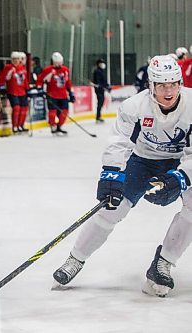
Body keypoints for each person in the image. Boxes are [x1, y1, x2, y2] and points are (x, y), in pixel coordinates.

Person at [52, 55, 192, 298]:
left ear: (180, 83)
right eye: (161, 85)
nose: (168, 91)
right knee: (111, 208)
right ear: (151, 86)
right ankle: (76, 258)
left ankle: (164, 263)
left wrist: (180, 177)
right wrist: (111, 174)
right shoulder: (134, 107)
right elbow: (119, 142)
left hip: (181, 161)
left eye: (173, 84)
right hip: (142, 162)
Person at [36, 52, 74, 135]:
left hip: (63, 95)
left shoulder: (66, 70)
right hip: (52, 95)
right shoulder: (48, 70)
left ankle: (59, 126)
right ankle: (53, 125)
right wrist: (40, 89)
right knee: (52, 113)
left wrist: (71, 92)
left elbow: (68, 82)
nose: (58, 64)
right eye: (56, 62)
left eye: (59, 62)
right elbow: (40, 80)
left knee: (64, 112)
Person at [0, 51, 29, 133]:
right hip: (13, 91)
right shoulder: (8, 67)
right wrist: (1, 86)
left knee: (24, 109)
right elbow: (1, 78)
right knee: (16, 108)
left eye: (17, 59)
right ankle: (15, 126)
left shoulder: (22, 68)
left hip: (22, 92)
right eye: (14, 59)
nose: (16, 61)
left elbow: (25, 80)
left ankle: (21, 125)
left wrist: (27, 88)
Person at [92, 58, 111, 123]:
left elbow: (104, 80)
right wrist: (101, 86)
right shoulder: (97, 71)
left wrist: (107, 85)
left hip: (101, 89)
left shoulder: (101, 71)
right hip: (98, 90)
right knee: (100, 102)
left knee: (101, 102)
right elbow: (98, 81)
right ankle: (98, 117)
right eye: (101, 63)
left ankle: (99, 116)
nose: (103, 64)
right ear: (98, 64)